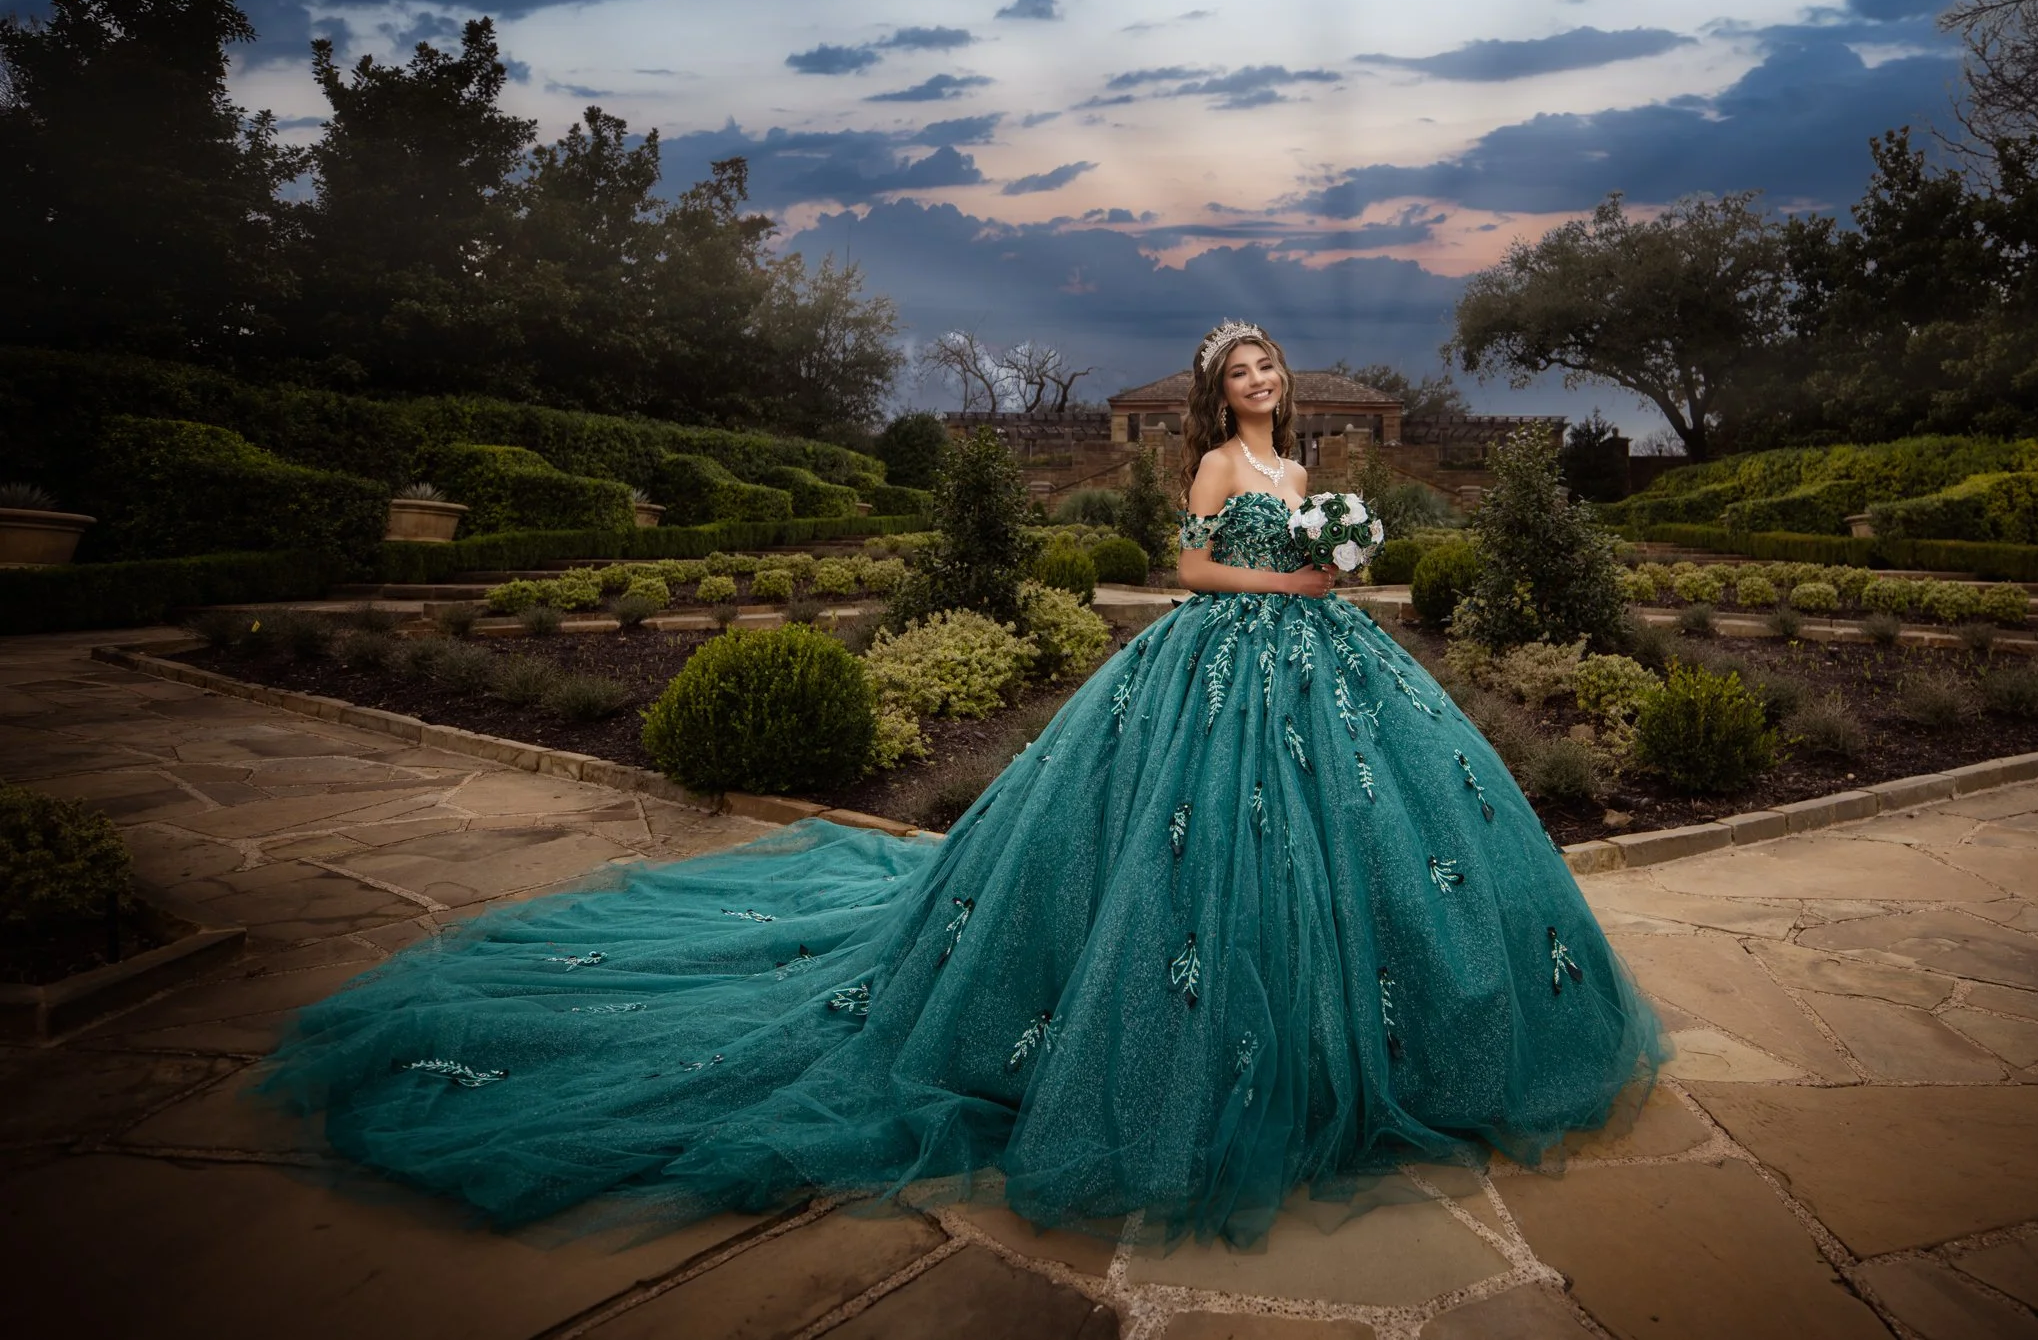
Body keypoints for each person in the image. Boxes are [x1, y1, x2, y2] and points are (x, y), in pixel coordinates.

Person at [258, 319, 1663, 1244]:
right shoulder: (1217, 463)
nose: (1261, 384)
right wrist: (1281, 568)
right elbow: (1186, 569)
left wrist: (1329, 563)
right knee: (1188, 853)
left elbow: (1317, 550)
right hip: (1223, 653)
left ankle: (1383, 1037)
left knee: (1364, 838)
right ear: (1214, 393)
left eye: (1270, 366)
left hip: (1320, 653)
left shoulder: (1306, 461)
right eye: (1241, 370)